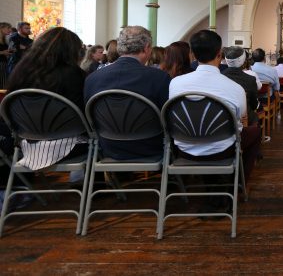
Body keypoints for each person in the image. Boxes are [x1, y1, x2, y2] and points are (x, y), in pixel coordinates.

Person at [169, 31, 261, 181]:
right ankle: (240, 181)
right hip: (223, 149)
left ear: (192, 53)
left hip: (185, 148)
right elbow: (241, 116)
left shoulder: (175, 83)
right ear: (220, 54)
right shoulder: (235, 88)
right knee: (255, 132)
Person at [5, 27, 88, 170]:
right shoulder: (74, 75)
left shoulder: (20, 72)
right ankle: (93, 186)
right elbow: (84, 112)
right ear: (71, 51)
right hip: (70, 145)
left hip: (26, 146)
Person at [84, 26, 170, 160]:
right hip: (150, 146)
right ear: (147, 48)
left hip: (107, 146)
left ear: (119, 47)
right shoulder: (159, 78)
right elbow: (167, 118)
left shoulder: (92, 79)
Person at [223, 47, 260, 125]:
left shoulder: (219, 76)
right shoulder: (250, 79)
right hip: (243, 119)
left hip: (222, 118)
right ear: (243, 61)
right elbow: (254, 105)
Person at [0, 22, 12, 89]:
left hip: (4, 63)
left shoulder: (4, 40)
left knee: (3, 85)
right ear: (1, 29)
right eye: (8, 28)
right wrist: (2, 52)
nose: (10, 30)